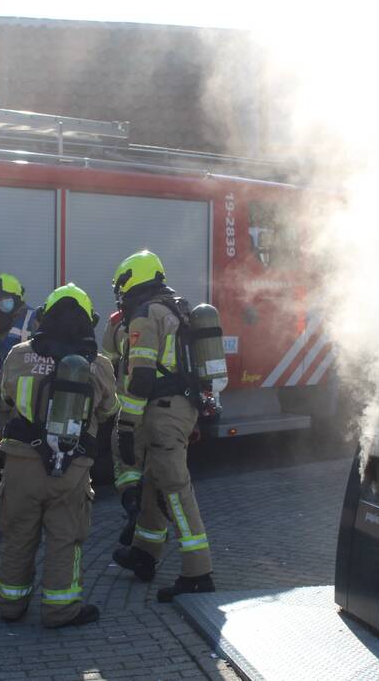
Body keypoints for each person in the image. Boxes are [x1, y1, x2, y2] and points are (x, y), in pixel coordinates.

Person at [0, 283, 119, 626]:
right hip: (72, 468)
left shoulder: (18, 355)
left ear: (45, 317)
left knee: (18, 534)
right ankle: (60, 610)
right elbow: (110, 409)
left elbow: (4, 398)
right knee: (65, 537)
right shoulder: (99, 365)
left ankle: (10, 605)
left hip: (21, 464)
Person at [109, 250, 215, 603]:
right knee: (153, 484)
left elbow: (141, 377)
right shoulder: (174, 308)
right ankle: (144, 553)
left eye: (120, 288)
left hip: (163, 412)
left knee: (175, 490)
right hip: (179, 407)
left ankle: (198, 573)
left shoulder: (145, 314)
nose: (120, 296)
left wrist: (126, 425)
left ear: (131, 281)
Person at [100, 307, 144, 546]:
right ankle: (152, 527)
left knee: (125, 462)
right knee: (158, 466)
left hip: (128, 407)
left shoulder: (118, 321)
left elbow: (107, 362)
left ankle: (134, 509)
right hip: (164, 410)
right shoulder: (171, 315)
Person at [0, 273, 38, 431]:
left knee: (23, 438)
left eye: (6, 298)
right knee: (4, 437)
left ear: (17, 298)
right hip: (4, 395)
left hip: (27, 395)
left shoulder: (33, 318)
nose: (2, 303)